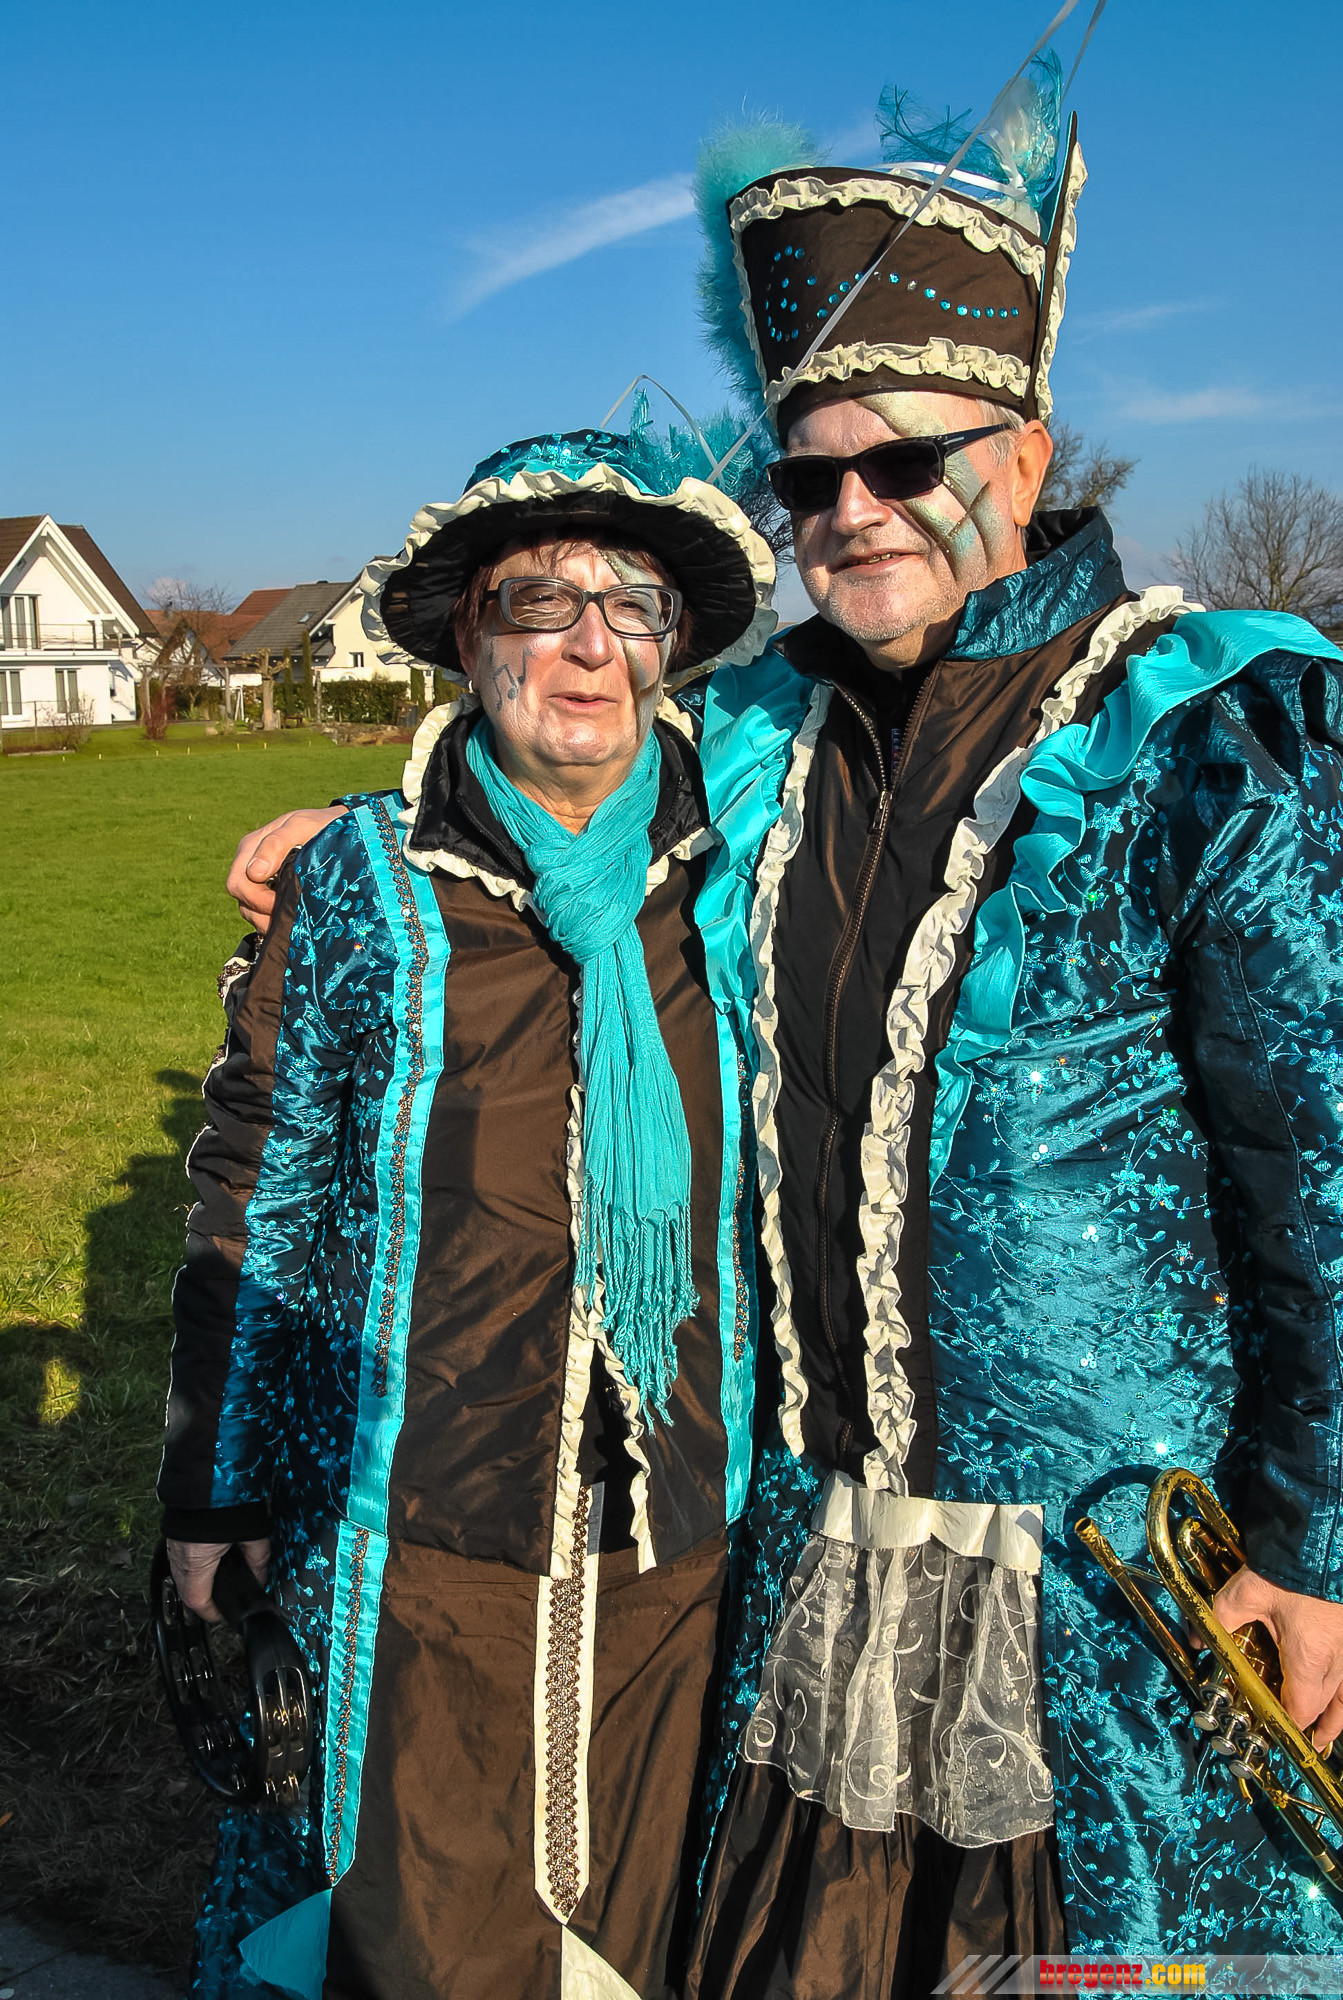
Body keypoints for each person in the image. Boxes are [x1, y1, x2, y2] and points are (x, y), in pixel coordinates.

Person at [227, 61, 1343, 1986]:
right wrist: (359, 833)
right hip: (816, 1568)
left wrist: (1320, 1550)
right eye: (810, 477)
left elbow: (1323, 1173)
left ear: (1027, 452)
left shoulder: (1202, 736)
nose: (853, 512)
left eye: (905, 465)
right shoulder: (761, 739)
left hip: (1108, 1603)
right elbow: (561, 788)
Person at [158, 424, 795, 2000]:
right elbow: (253, 1187)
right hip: (424, 1541)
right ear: (467, 633)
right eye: (539, 602)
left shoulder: (747, 867)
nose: (589, 644)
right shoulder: (360, 886)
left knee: (641, 1945)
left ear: (673, 646)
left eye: (632, 605)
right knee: (426, 1949)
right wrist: (214, 1496)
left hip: (673, 1540)